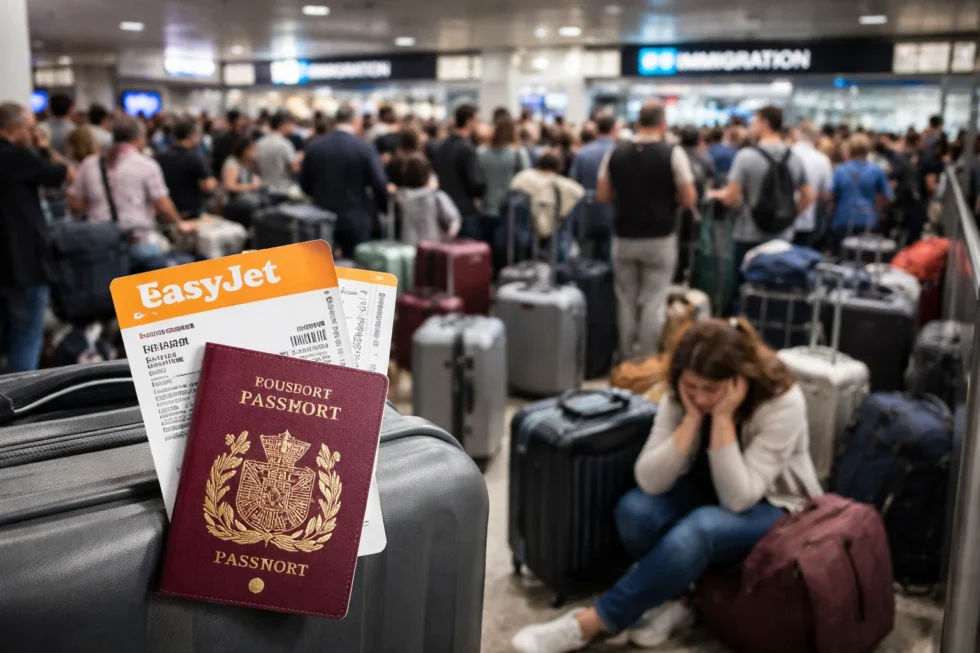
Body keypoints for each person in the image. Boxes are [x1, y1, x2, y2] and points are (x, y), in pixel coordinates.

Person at [512, 317, 823, 653]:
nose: (701, 397)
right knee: (635, 510)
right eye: (692, 387)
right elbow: (649, 479)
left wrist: (721, 420)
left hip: (778, 508)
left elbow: (738, 499)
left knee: (702, 528)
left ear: (738, 379)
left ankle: (591, 623)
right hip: (711, 490)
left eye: (711, 390)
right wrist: (690, 419)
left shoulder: (781, 401)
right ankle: (683, 599)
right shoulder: (683, 394)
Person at [597, 101, 697, 361]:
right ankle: (648, 358)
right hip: (660, 236)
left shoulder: (615, 152)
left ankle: (626, 355)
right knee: (654, 299)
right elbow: (689, 198)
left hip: (624, 234)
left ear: (638, 122)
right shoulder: (672, 153)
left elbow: (603, 194)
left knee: (626, 298)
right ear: (662, 124)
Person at [0, 102, 74, 372]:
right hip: (24, 262)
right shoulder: (18, 157)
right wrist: (44, 147)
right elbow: (64, 172)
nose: (33, 133)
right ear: (13, 128)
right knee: (27, 333)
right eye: (30, 128)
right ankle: (22, 403)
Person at [708, 106, 813, 293]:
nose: (751, 126)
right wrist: (790, 215)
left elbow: (731, 197)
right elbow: (808, 195)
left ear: (764, 123)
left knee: (745, 289)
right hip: (783, 235)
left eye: (754, 122)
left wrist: (715, 194)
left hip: (749, 234)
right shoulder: (794, 158)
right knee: (776, 289)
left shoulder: (746, 156)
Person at [67, 116, 191, 271]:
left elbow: (75, 205)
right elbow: (163, 205)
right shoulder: (147, 165)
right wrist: (179, 223)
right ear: (139, 138)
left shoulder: (89, 164)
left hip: (99, 245)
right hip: (138, 243)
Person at [299, 104, 388, 257]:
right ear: (357, 121)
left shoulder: (314, 147)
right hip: (356, 217)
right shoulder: (364, 148)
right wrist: (382, 208)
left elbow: (304, 184)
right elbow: (379, 183)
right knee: (356, 273)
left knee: (323, 271)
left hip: (321, 217)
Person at [510, 149, 584, 258]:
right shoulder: (567, 186)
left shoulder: (523, 177)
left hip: (526, 229)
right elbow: (580, 192)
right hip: (554, 227)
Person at [828, 133, 894, 253]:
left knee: (841, 256)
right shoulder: (876, 170)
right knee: (864, 256)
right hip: (868, 219)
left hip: (843, 218)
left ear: (849, 149)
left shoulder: (840, 170)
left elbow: (831, 196)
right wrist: (877, 208)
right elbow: (887, 196)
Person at [433, 103, 487, 240]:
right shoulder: (467, 148)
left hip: (444, 208)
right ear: (469, 121)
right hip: (464, 210)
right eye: (477, 121)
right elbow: (473, 181)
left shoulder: (443, 145)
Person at [477, 116, 530, 237]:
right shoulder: (518, 153)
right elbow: (526, 177)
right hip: (510, 208)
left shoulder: (481, 152)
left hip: (485, 206)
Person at [157, 119, 218, 218]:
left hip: (168, 211)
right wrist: (215, 182)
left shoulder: (161, 156)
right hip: (190, 212)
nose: (200, 137)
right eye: (198, 134)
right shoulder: (195, 158)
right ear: (191, 135)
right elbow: (208, 186)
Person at [398, 154, 461, 245]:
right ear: (427, 174)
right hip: (433, 248)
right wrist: (447, 240)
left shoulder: (402, 198)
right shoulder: (437, 196)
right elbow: (455, 221)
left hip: (409, 248)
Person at [791, 121, 833, 247]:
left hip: (782, 219)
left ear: (797, 134)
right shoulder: (821, 160)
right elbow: (826, 193)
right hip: (808, 220)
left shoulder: (785, 155)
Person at [255, 111, 302, 192]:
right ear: (283, 125)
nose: (293, 127)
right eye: (291, 124)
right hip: (283, 189)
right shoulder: (285, 144)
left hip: (263, 187)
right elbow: (295, 168)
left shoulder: (259, 142)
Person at [211, 109, 250, 179]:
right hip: (237, 177)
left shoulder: (218, 138)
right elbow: (246, 161)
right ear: (237, 121)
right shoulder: (242, 140)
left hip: (221, 176)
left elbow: (215, 161)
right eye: (241, 119)